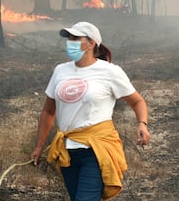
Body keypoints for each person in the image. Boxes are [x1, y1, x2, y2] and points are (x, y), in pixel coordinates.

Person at [30, 21, 151, 201]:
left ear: (91, 43)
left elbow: (137, 101)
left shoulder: (109, 72)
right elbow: (49, 111)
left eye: (75, 38)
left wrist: (142, 123)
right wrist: (39, 146)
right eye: (69, 38)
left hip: (96, 150)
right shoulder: (60, 71)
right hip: (67, 152)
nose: (70, 42)